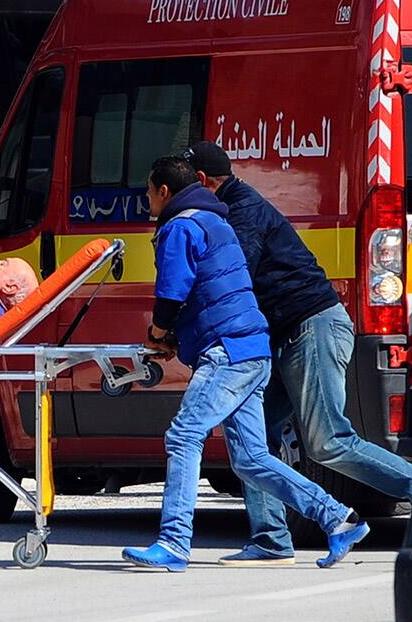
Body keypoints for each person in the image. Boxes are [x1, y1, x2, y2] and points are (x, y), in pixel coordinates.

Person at [120, 156, 370, 572]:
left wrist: (159, 336)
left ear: (165, 192)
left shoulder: (180, 226)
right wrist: (175, 338)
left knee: (184, 436)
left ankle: (174, 542)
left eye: (148, 191)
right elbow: (215, 291)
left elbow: (173, 293)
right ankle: (338, 519)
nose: (146, 199)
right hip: (253, 349)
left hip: (227, 351)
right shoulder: (218, 222)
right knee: (252, 458)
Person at [183, 141, 412, 566]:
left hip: (313, 328)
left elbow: (234, 280)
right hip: (282, 337)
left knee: (328, 441)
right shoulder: (222, 211)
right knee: (254, 441)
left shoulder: (240, 213)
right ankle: (272, 539)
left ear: (202, 182)